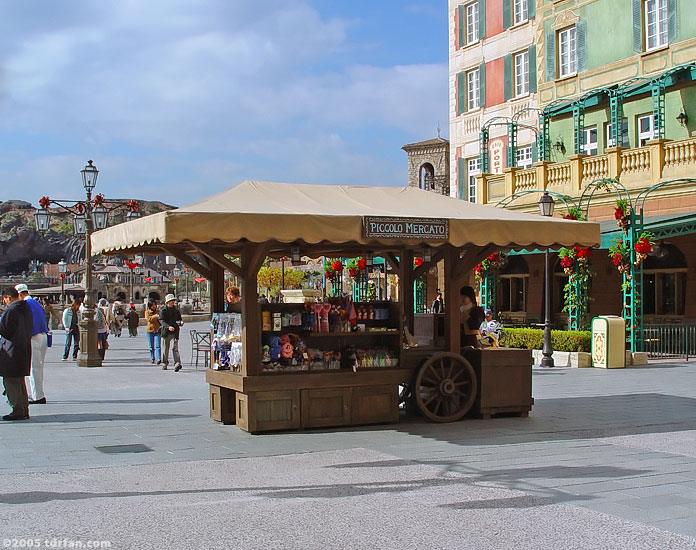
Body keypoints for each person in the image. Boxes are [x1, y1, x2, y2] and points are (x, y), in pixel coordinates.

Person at [0, 287, 33, 421]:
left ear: (8, 297)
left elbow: (5, 330)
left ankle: (17, 410)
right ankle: (24, 409)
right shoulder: (26, 309)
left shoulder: (11, 310)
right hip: (24, 347)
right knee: (19, 381)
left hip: (11, 349)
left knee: (11, 380)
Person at [15, 284, 49, 405]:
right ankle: (38, 393)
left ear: (19, 294)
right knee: (39, 366)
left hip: (33, 336)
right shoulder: (37, 304)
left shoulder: (24, 305)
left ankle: (37, 396)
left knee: (33, 368)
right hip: (43, 335)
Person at [159, 294, 183, 371]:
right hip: (166, 332)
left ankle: (177, 363)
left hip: (175, 332)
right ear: (167, 302)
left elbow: (179, 319)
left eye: (173, 301)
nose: (173, 302)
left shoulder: (176, 311)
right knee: (165, 349)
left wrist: (180, 323)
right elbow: (161, 320)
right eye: (171, 301)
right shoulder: (163, 310)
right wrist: (168, 326)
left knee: (174, 348)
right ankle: (165, 363)